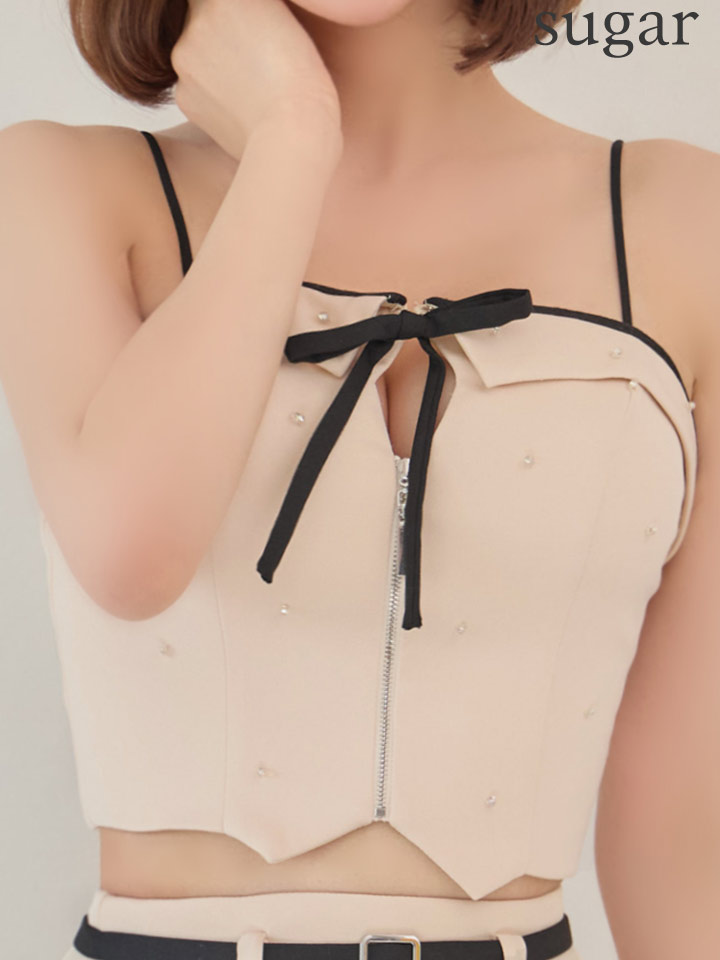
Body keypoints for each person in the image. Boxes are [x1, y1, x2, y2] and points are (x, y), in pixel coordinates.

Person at [0, 0, 718, 957]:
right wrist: (292, 138)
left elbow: (686, 803)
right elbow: (131, 554)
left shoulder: (687, 218)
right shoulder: (60, 182)